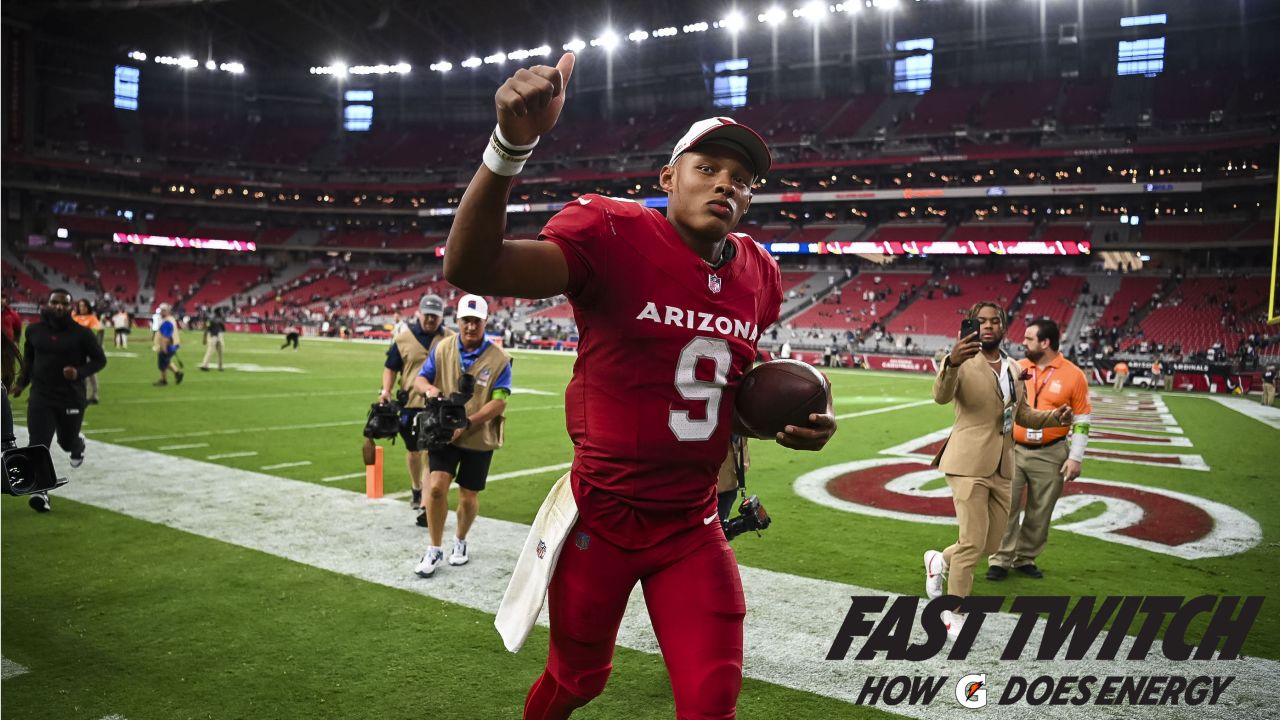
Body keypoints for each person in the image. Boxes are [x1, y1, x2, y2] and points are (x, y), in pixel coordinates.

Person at [446, 53, 835, 718]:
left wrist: (785, 422)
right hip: (603, 514)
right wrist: (510, 145)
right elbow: (471, 263)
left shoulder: (760, 276)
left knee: (713, 698)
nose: (725, 185)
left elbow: (718, 394)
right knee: (577, 682)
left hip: (692, 523)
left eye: (741, 180)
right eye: (707, 168)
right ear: (668, 177)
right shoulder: (613, 232)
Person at [923, 302, 1070, 641]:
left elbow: (1022, 415)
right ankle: (953, 611)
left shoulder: (1014, 367)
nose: (988, 326)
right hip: (967, 462)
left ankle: (938, 562)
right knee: (973, 542)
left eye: (995, 321)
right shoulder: (959, 360)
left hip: (1004, 464)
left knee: (988, 544)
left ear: (1004, 327)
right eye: (981, 321)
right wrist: (953, 361)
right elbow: (940, 396)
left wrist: (1053, 419)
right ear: (972, 325)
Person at [412, 294, 512, 577]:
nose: (470, 326)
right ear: (457, 321)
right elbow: (421, 378)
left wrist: (468, 423)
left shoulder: (500, 359)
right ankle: (434, 547)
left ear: (485, 322)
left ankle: (460, 540)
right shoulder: (443, 347)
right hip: (443, 431)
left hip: (478, 434)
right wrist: (429, 390)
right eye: (466, 320)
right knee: (434, 488)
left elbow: (500, 400)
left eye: (476, 321)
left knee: (468, 495)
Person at [986, 319, 1092, 581]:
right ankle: (1000, 559)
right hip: (1013, 448)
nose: (1023, 342)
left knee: (1040, 510)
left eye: (1029, 338)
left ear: (1046, 343)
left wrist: (1076, 457)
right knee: (1005, 506)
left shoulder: (1074, 375)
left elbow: (1082, 420)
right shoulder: (1017, 367)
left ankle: (1025, 558)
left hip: (1051, 452)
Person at [10, 289, 107, 512]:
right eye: (56, 302)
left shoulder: (82, 334)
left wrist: (80, 372)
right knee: (38, 443)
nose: (59, 307)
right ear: (48, 304)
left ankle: (77, 443)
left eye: (64, 304)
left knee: (65, 441)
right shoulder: (34, 331)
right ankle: (40, 491)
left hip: (70, 397)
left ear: (70, 307)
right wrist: (21, 384)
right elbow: (29, 361)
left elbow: (100, 360)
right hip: (41, 396)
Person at [380, 294, 455, 524]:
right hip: (410, 404)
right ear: (419, 314)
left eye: (435, 315)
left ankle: (425, 504)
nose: (431, 319)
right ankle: (416, 487)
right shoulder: (404, 339)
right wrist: (386, 390)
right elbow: (391, 367)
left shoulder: (450, 338)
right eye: (428, 315)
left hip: (438, 406)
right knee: (414, 452)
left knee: (430, 453)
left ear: (441, 316)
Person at [71, 299, 103, 404]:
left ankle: (94, 395)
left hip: (88, 349)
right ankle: (81, 394)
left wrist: (98, 345)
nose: (82, 308)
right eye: (80, 306)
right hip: (75, 349)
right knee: (78, 372)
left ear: (88, 307)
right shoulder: (74, 318)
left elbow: (100, 330)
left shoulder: (92, 318)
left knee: (90, 372)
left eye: (84, 306)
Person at [153, 304, 184, 386]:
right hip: (172, 345)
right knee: (166, 362)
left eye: (163, 311)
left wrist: (163, 348)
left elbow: (165, 337)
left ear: (167, 311)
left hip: (168, 346)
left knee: (162, 363)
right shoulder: (171, 319)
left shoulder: (167, 321)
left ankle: (164, 380)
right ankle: (177, 373)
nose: (161, 313)